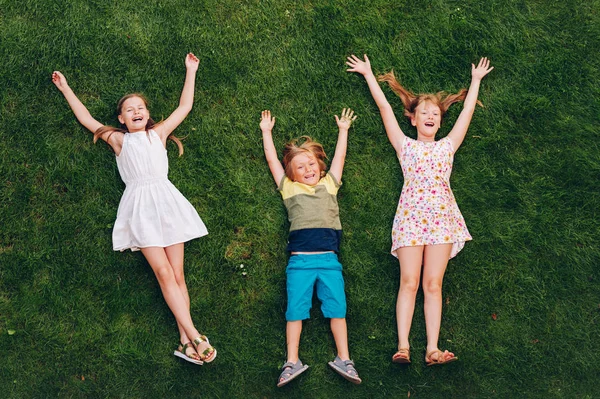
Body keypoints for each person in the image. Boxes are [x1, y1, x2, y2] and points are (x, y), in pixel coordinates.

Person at [52, 53, 216, 366]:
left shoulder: (159, 134)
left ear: (148, 114)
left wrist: (191, 70)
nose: (136, 111)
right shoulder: (118, 141)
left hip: (168, 203)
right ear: (122, 120)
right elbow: (88, 121)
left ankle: (184, 342)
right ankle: (195, 334)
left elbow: (185, 107)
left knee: (178, 275)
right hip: (140, 208)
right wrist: (66, 89)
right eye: (130, 110)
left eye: (140, 108)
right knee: (163, 271)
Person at [346, 54, 493, 365]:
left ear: (440, 121)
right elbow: (385, 108)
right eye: (424, 112)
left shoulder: (448, 145)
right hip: (411, 220)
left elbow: (466, 111)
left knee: (433, 284)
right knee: (409, 281)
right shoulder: (404, 145)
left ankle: (432, 349)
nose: (430, 116)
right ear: (412, 119)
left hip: (442, 220)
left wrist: (475, 81)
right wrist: (369, 74)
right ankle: (403, 346)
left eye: (436, 114)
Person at [260, 108, 361, 386]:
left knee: (337, 309)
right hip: (300, 263)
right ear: (291, 174)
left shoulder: (330, 185)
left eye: (311, 164)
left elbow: (339, 158)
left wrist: (343, 131)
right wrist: (266, 132)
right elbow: (272, 161)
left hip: (329, 261)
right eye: (300, 167)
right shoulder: (289, 189)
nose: (307, 170)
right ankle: (291, 362)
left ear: (320, 166)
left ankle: (345, 358)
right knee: (295, 311)